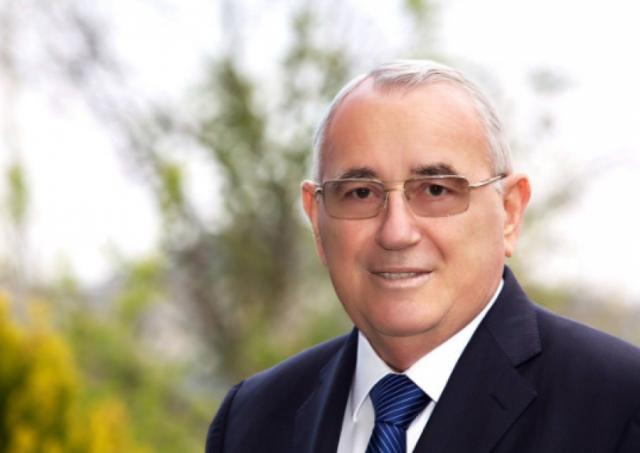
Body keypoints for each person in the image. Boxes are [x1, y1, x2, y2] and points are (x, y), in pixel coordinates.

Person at [205, 60, 640, 453]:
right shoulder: (249, 421)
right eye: (360, 193)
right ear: (317, 221)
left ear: (509, 213)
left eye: (435, 190)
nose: (396, 233)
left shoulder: (621, 406)